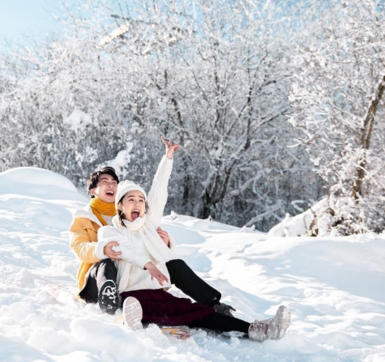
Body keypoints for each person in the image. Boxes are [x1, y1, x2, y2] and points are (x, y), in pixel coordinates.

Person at [97, 139, 291, 342]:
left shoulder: (149, 225)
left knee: (197, 313)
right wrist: (148, 265)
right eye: (131, 200)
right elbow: (125, 249)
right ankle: (130, 320)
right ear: (120, 206)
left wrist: (168, 157)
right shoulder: (109, 231)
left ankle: (258, 329)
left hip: (157, 291)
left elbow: (159, 191)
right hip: (132, 294)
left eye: (141, 200)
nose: (137, 203)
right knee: (140, 308)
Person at [68, 138, 235, 317]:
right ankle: (110, 300)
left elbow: (157, 196)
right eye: (104, 181)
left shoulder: (132, 212)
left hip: (135, 275)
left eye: (114, 182)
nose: (111, 184)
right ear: (93, 190)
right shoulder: (84, 219)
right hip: (99, 279)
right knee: (106, 262)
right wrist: (102, 249)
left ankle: (215, 304)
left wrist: (165, 241)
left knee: (175, 265)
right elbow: (80, 248)